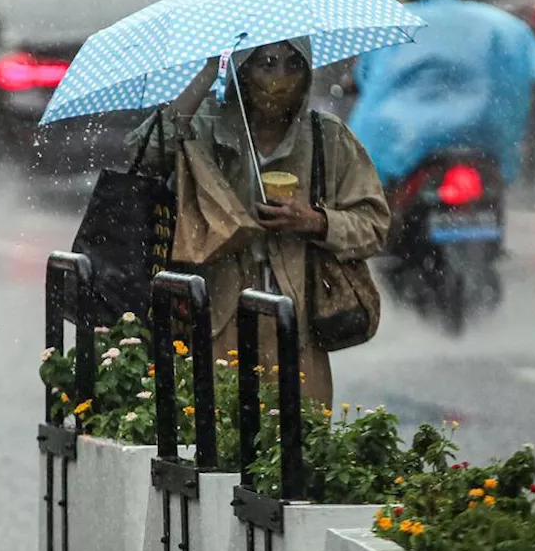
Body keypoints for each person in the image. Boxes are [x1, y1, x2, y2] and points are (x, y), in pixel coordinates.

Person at [127, 38, 389, 405]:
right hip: (219, 317)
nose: (280, 79)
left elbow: (373, 224)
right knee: (223, 440)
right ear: (242, 70)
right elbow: (147, 153)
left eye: (292, 65)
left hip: (297, 323)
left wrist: (316, 221)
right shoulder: (205, 127)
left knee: (301, 442)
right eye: (266, 64)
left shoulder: (327, 137)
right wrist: (207, 73)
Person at [347, 0, 535, 198]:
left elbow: (368, 77)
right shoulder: (505, 25)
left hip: (407, 139)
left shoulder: (391, 24)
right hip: (483, 134)